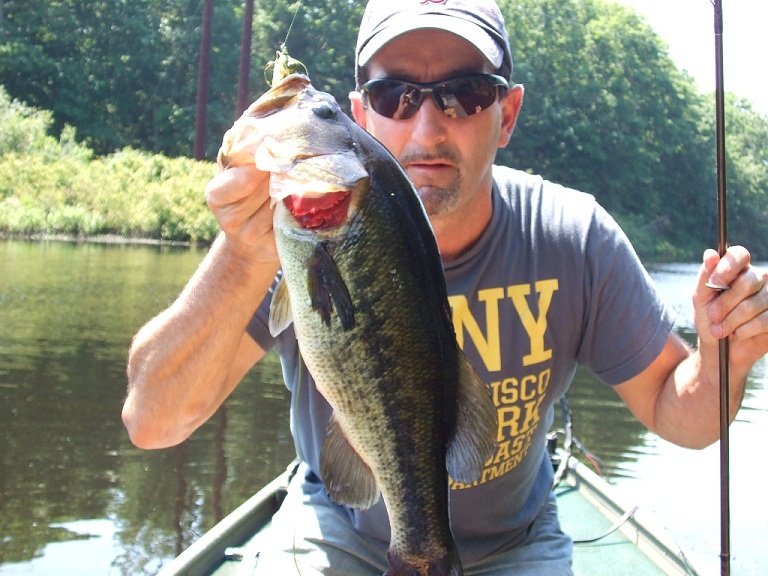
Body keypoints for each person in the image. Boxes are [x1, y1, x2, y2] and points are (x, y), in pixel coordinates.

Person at [122, 0, 768, 574]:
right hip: (337, 524)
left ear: (507, 113)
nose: (427, 127)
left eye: (464, 93)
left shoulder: (572, 237)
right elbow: (152, 422)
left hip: (518, 540)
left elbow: (675, 410)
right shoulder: (290, 232)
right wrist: (240, 259)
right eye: (394, 96)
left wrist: (722, 358)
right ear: (358, 117)